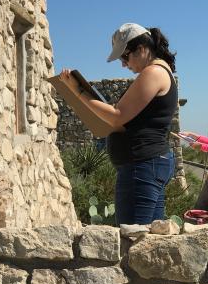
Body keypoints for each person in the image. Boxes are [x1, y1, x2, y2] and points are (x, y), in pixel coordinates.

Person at [61, 23, 178, 225]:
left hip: (142, 167)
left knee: (132, 240)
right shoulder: (161, 72)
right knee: (149, 240)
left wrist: (77, 91)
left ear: (142, 49)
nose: (124, 64)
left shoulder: (153, 73)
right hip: (148, 165)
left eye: (125, 57)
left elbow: (117, 116)